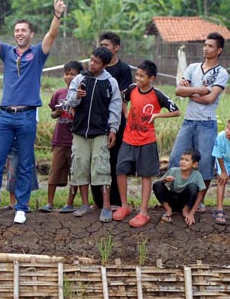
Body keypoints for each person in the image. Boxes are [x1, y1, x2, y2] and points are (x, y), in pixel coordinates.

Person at [0, 0, 67, 224]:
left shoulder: (38, 53)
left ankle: (21, 207)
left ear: (31, 34)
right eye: (17, 30)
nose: (19, 33)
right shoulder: (7, 51)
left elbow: (52, 35)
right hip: (5, 115)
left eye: (23, 30)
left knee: (25, 163)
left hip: (27, 115)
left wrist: (57, 14)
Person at [112, 60, 180, 228]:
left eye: (142, 76)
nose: (138, 79)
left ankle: (143, 212)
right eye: (137, 75)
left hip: (147, 141)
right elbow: (122, 99)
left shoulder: (158, 95)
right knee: (120, 170)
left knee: (145, 175)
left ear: (152, 78)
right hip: (128, 139)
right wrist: (126, 114)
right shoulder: (131, 89)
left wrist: (157, 116)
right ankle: (124, 206)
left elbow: (177, 111)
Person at [169, 32, 229, 213]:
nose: (205, 48)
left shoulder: (221, 73)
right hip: (188, 121)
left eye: (210, 46)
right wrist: (201, 90)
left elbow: (210, 99)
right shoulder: (193, 68)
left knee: (205, 165)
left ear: (219, 50)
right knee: (175, 158)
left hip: (206, 123)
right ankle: (176, 198)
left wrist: (190, 93)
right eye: (205, 44)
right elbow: (178, 90)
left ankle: (198, 201)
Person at [66, 46, 122, 222]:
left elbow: (115, 107)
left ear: (104, 65)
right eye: (91, 60)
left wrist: (113, 129)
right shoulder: (80, 78)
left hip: (100, 132)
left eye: (96, 62)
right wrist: (78, 96)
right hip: (80, 131)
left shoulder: (110, 82)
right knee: (80, 166)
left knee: (101, 168)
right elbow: (69, 102)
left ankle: (105, 206)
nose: (92, 64)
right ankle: (84, 204)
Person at [91, 32, 133, 209]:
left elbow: (123, 97)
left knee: (114, 160)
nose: (103, 47)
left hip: (115, 122)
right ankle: (98, 202)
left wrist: (126, 118)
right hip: (95, 121)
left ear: (116, 48)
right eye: (101, 44)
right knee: (96, 160)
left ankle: (115, 201)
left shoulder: (123, 70)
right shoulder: (95, 69)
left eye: (106, 45)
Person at [39, 60, 83, 213]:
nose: (69, 77)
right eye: (67, 74)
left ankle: (69, 203)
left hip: (76, 140)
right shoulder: (59, 93)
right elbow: (52, 114)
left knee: (75, 173)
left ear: (80, 77)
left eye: (73, 74)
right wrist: (56, 113)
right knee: (54, 172)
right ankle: (49, 203)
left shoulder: (82, 95)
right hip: (59, 139)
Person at [153, 149, 206, 226]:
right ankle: (168, 210)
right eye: (182, 159)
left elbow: (201, 193)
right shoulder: (174, 171)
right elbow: (159, 184)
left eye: (187, 160)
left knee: (193, 187)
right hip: (172, 199)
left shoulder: (197, 175)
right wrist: (165, 180)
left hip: (185, 202)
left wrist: (192, 213)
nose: (183, 162)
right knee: (157, 184)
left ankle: (185, 211)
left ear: (194, 164)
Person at [212, 120, 230, 225]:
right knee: (221, 180)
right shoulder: (221, 136)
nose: (227, 131)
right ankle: (219, 210)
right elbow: (219, 155)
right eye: (227, 127)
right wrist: (223, 171)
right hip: (224, 160)